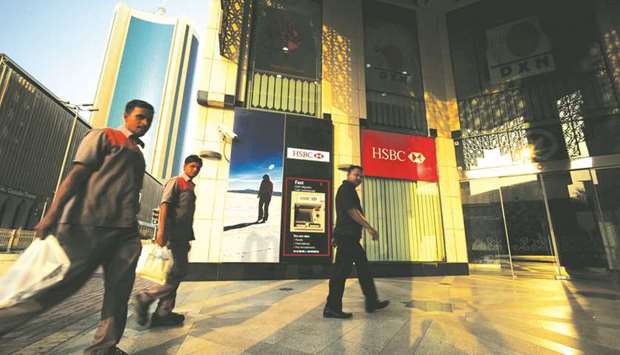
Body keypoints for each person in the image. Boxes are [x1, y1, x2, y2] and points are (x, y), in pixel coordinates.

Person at [0, 99, 154, 355]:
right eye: (139, 117)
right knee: (59, 287)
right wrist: (52, 215)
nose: (145, 123)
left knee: (119, 291)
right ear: (126, 115)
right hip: (88, 227)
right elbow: (76, 176)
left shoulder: (138, 154)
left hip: (125, 234)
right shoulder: (103, 137)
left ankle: (103, 348)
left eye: (149, 119)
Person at [134, 155, 202, 327]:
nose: (195, 170)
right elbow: (165, 205)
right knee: (178, 272)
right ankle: (146, 297)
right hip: (174, 235)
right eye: (192, 166)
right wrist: (161, 232)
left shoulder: (191, 186)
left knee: (175, 273)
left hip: (183, 236)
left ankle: (163, 313)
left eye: (198, 167)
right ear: (185, 166)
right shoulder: (176, 182)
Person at [324, 165, 389, 319]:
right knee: (341, 273)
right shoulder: (346, 190)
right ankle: (332, 307)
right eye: (356, 175)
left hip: (348, 237)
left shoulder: (349, 191)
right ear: (348, 175)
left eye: (361, 176)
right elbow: (351, 212)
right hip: (347, 238)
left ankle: (372, 301)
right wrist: (369, 227)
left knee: (363, 269)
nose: (359, 178)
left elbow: (342, 215)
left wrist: (335, 235)